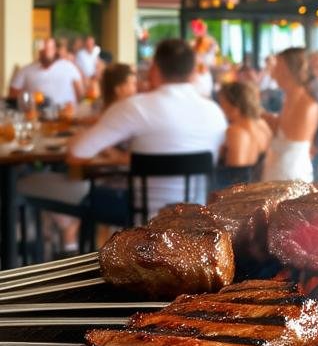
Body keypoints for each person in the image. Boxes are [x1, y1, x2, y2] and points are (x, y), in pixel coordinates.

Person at [68, 39, 226, 216]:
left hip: (142, 219)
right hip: (196, 223)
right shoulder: (215, 113)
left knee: (86, 195)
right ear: (192, 72)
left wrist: (120, 157)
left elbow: (76, 154)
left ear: (155, 70)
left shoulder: (135, 107)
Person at [16, 63, 138, 252]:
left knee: (22, 183)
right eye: (133, 83)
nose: (136, 87)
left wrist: (95, 142)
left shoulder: (122, 113)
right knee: (61, 180)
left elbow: (75, 154)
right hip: (123, 190)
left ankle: (57, 240)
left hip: (107, 190)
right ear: (119, 88)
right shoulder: (128, 113)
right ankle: (61, 238)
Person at [262, 46, 318, 183]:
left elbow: (290, 140)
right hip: (278, 172)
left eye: (278, 67)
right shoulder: (288, 98)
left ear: (289, 70)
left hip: (291, 177)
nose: (273, 73)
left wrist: (264, 118)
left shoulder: (308, 105)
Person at [9, 37, 83, 108]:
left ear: (55, 50)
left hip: (65, 116)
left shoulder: (69, 67)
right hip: (36, 115)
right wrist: (29, 98)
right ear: (38, 51)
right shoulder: (26, 70)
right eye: (43, 49)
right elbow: (12, 94)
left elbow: (80, 94)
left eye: (49, 48)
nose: (46, 51)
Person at [219, 80, 271, 168]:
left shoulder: (235, 131)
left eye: (223, 103)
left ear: (235, 106)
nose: (221, 108)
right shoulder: (263, 125)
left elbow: (234, 174)